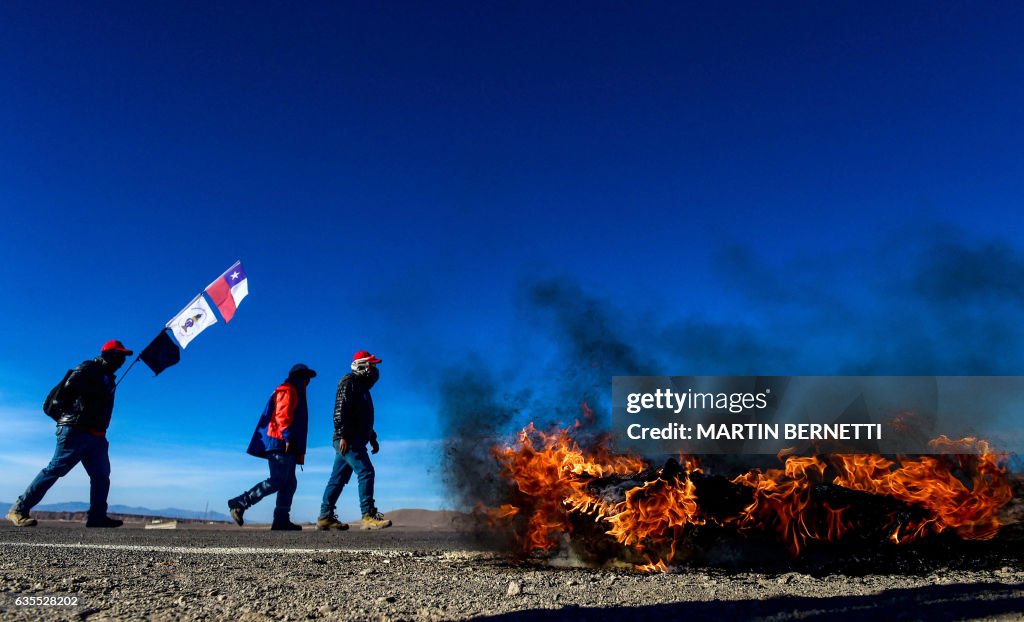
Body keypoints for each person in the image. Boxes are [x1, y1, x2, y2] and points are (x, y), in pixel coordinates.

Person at [7, 340, 133, 528]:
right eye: (119, 355)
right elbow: (71, 384)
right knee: (55, 469)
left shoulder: (108, 377)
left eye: (123, 357)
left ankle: (96, 517)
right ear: (108, 355)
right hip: (75, 429)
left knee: (101, 476)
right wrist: (97, 392)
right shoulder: (90, 367)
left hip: (97, 435)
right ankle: (18, 509)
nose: (122, 360)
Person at [228, 363, 315, 531]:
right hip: (280, 442)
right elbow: (282, 414)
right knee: (278, 480)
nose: (308, 381)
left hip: (285, 443)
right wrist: (288, 437)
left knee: (289, 483)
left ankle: (281, 519)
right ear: (300, 377)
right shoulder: (288, 389)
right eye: (306, 377)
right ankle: (240, 503)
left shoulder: (293, 391)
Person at [317, 351, 391, 530]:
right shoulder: (349, 383)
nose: (375, 370)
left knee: (338, 478)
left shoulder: (361, 388)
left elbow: (362, 418)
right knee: (366, 472)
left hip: (353, 438)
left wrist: (372, 437)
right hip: (348, 439)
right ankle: (368, 515)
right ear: (362, 366)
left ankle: (325, 517)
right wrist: (343, 435)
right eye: (372, 365)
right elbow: (340, 410)